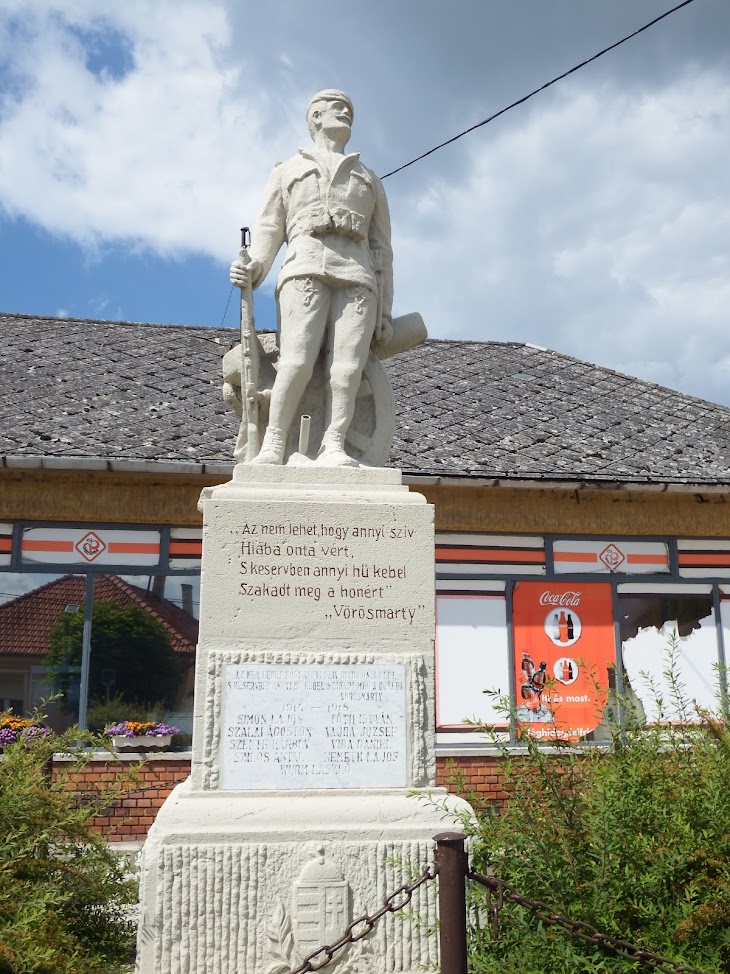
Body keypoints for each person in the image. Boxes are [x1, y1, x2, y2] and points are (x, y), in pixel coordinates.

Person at [229, 89, 394, 466]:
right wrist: (254, 266)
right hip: (304, 265)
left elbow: (382, 249)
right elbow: (269, 225)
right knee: (297, 360)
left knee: (348, 367)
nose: (346, 112)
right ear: (315, 117)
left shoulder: (369, 178)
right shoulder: (287, 170)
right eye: (337, 108)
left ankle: (334, 444)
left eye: (349, 109)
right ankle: (273, 442)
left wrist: (385, 311)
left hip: (357, 273)